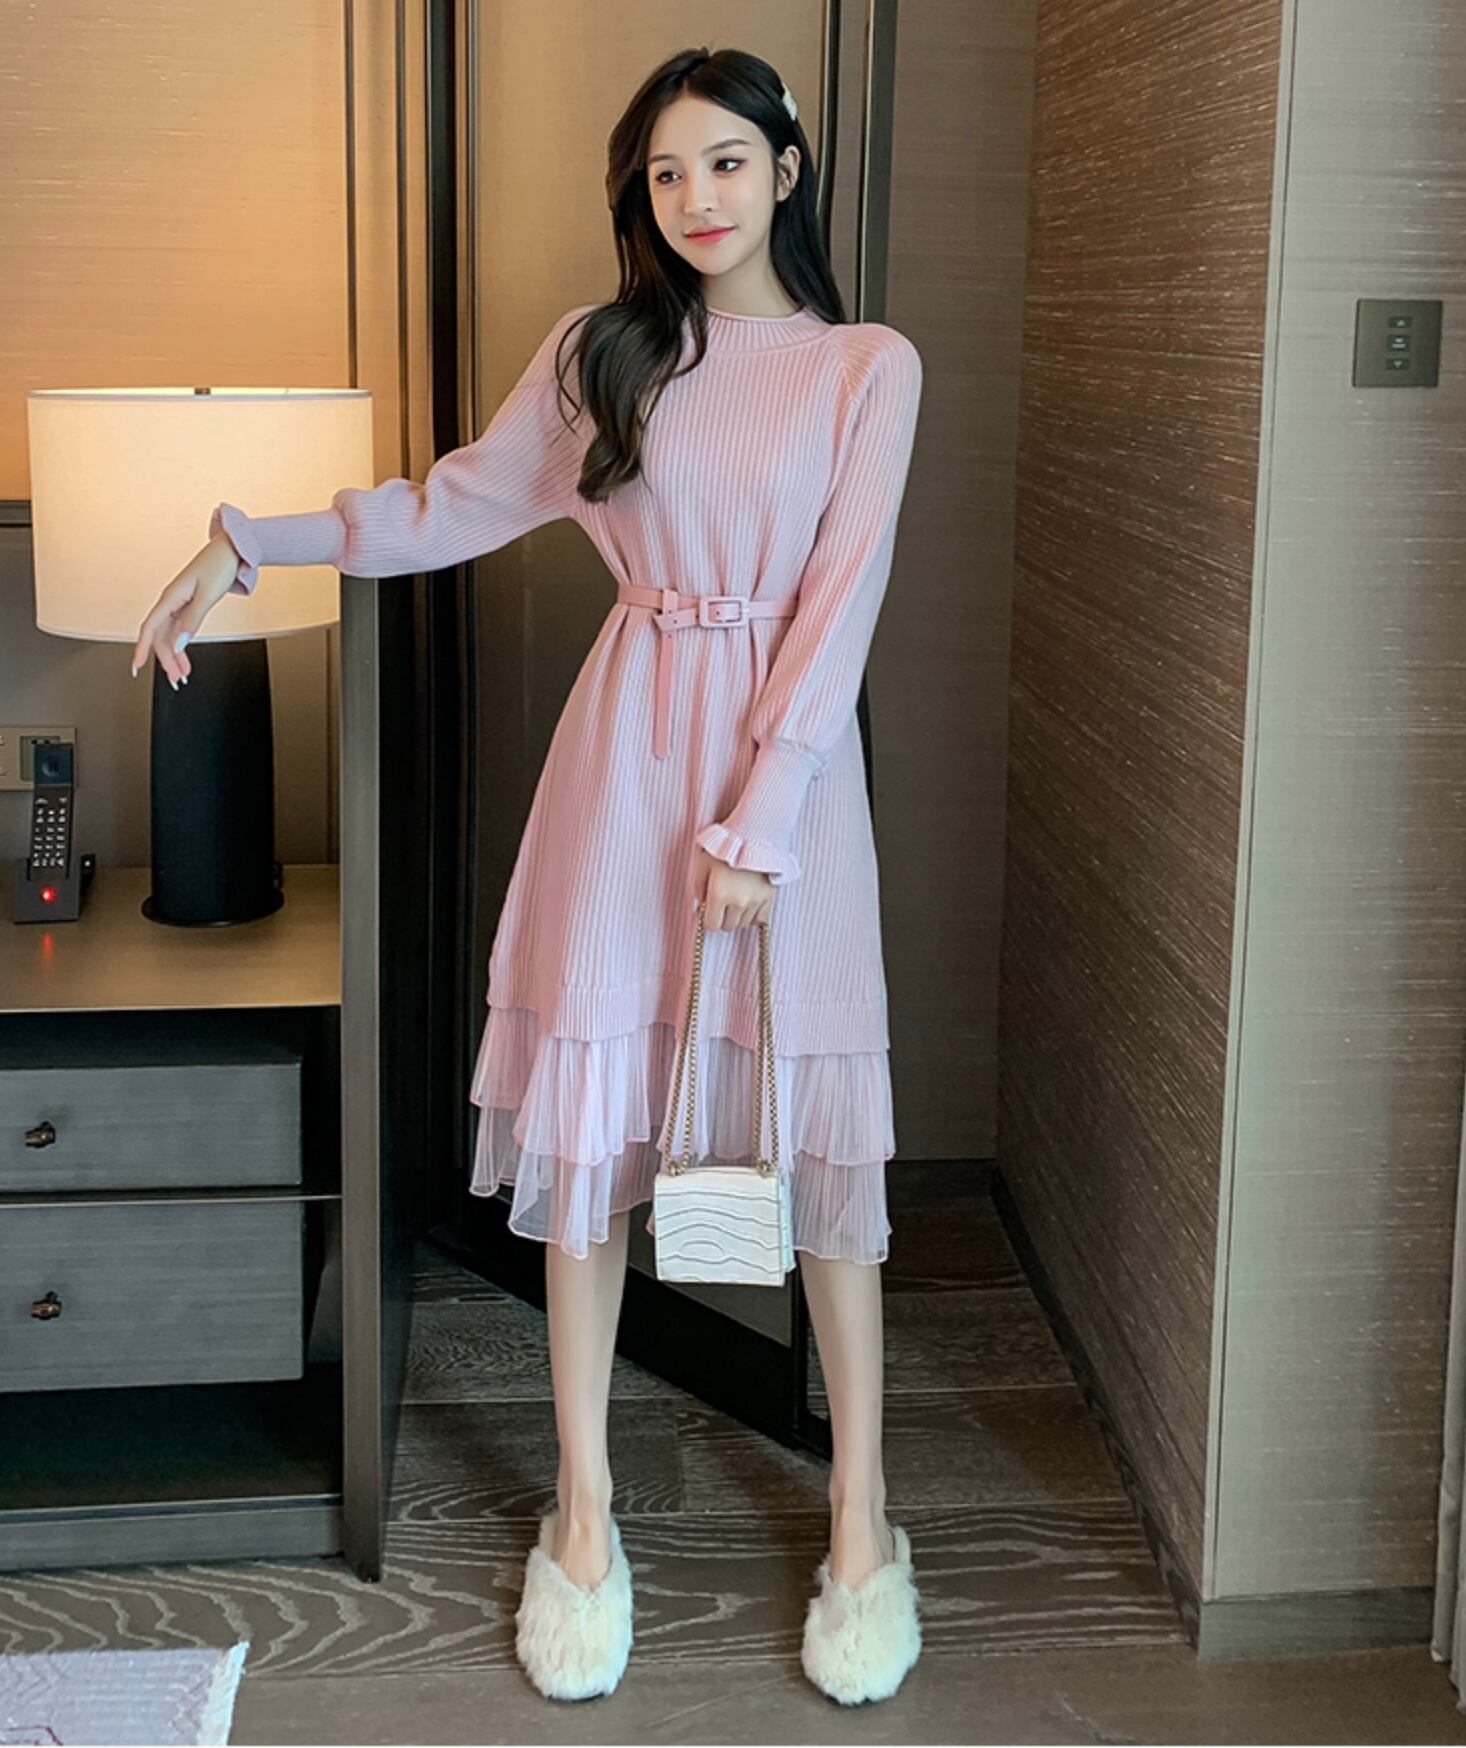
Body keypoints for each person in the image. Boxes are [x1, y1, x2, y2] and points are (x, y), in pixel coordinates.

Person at [132, 45, 924, 1708]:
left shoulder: (866, 367)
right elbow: (452, 507)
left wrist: (758, 831)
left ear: (787, 169)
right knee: (592, 1137)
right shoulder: (600, 354)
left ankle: (862, 1516)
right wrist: (249, 542)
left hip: (784, 788)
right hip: (623, 764)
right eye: (663, 173)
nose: (695, 198)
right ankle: (581, 1506)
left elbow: (839, 604)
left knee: (821, 1148)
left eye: (725, 162)